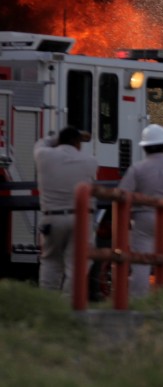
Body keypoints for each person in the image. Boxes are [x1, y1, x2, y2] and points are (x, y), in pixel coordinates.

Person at [117, 123, 163, 296]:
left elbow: (122, 195)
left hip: (145, 218)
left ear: (145, 147)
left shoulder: (138, 168)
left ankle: (139, 300)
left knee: (141, 263)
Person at [33, 126, 99, 294]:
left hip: (51, 218)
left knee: (50, 262)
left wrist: (55, 139)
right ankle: (68, 305)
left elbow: (42, 142)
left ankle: (47, 304)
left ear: (58, 142)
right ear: (78, 143)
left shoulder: (43, 156)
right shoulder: (90, 161)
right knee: (77, 265)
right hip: (81, 218)